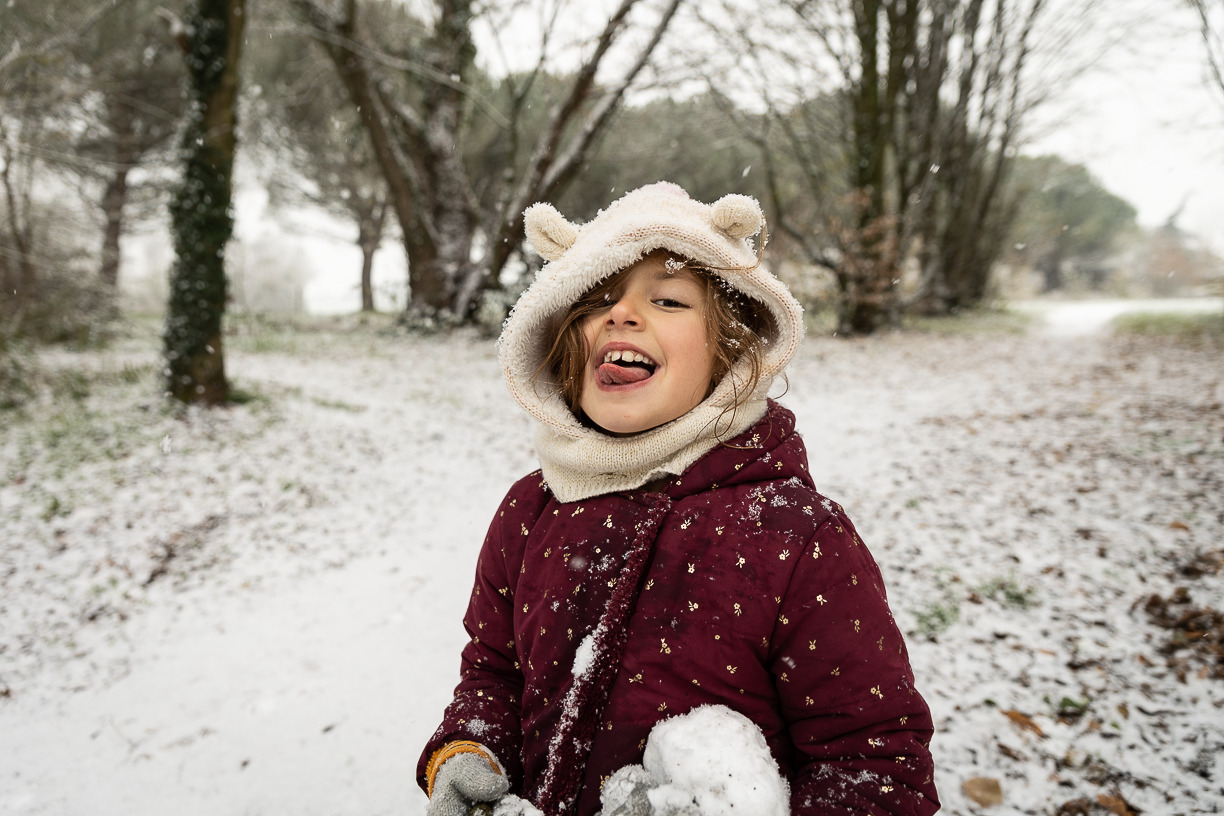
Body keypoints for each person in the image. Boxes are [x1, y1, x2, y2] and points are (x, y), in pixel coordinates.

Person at [417, 182, 939, 816]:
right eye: (598, 299)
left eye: (667, 299)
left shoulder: (796, 537)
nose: (622, 314)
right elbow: (495, 671)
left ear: (729, 354)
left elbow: (874, 761)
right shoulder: (530, 512)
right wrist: (472, 751)